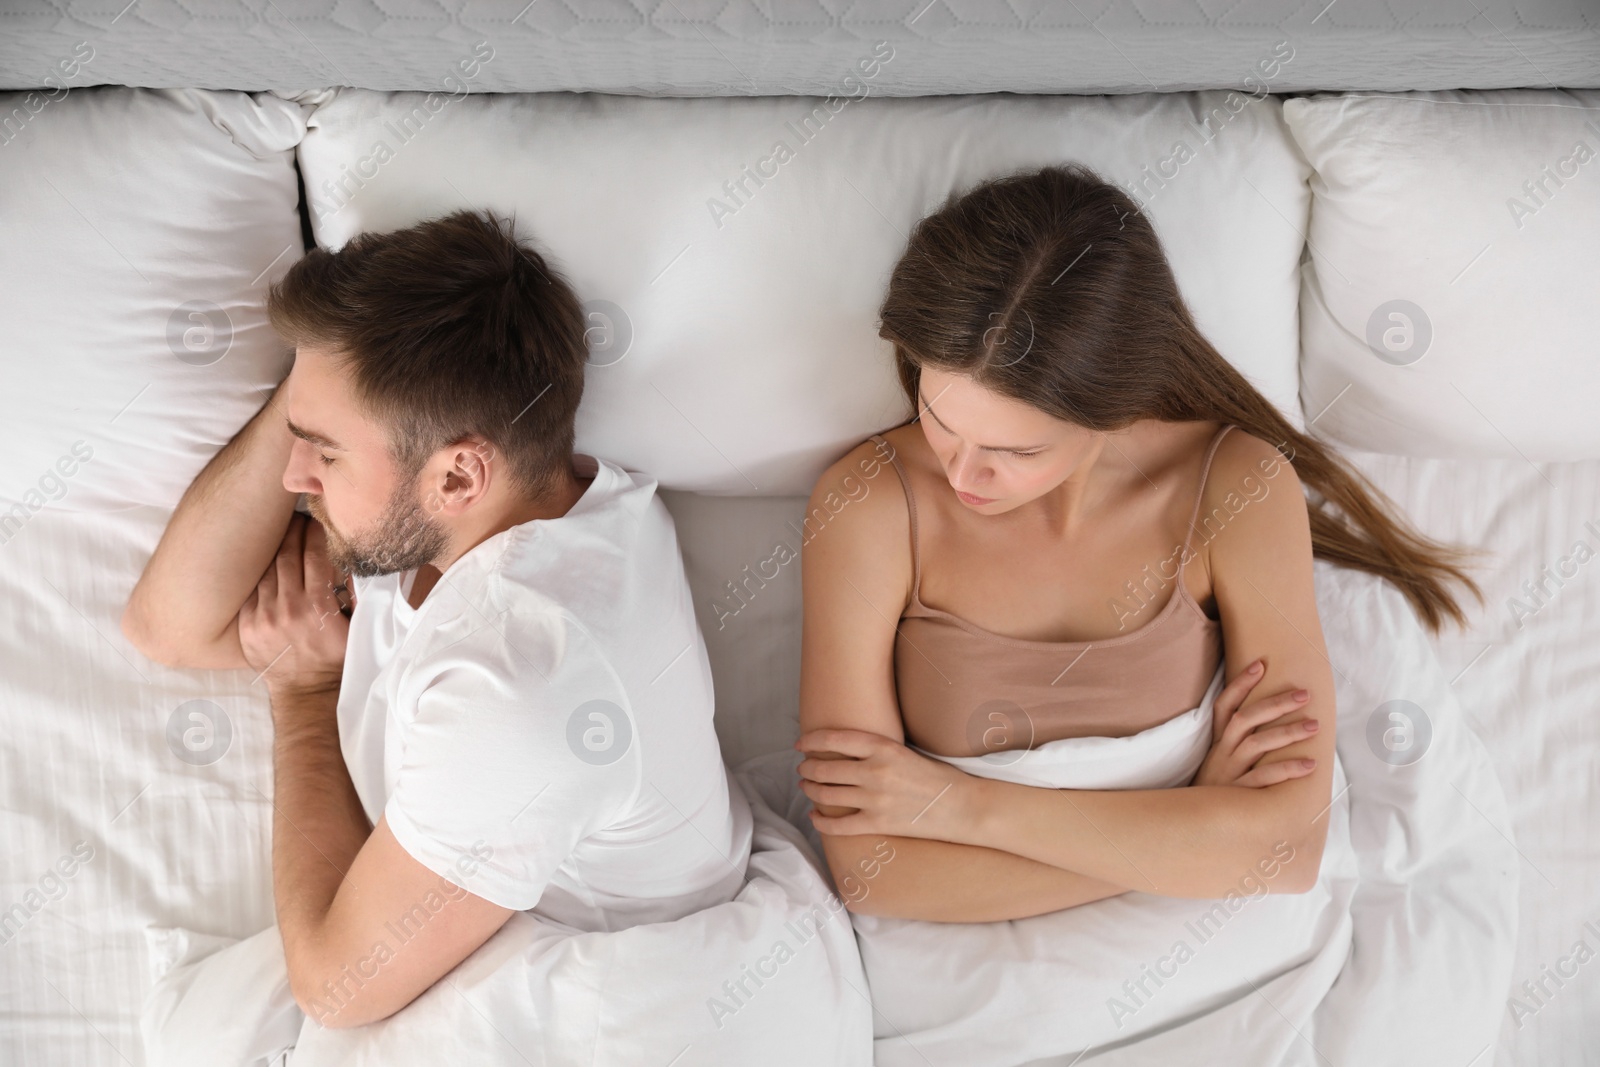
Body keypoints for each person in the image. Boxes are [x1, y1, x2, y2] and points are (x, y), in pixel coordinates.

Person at [795, 163, 1482, 922]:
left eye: (1016, 452)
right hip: (954, 970)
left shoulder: (1238, 487)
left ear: (1113, 410)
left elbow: (1284, 855)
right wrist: (1192, 823)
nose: (964, 471)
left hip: (1220, 944)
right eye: (939, 417)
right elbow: (874, 875)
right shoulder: (869, 504)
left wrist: (960, 808)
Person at [122, 209, 746, 1030]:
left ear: (457, 476)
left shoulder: (522, 684)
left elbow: (336, 988)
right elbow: (167, 626)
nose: (292, 474)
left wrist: (304, 701)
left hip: (601, 1000)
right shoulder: (495, 501)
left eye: (323, 449)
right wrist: (328, 387)